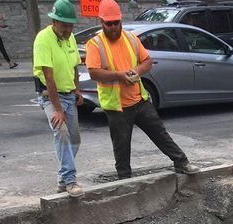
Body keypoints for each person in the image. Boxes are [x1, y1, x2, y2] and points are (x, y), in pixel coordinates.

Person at [85, 0, 199, 180]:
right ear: (102, 22)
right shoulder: (95, 44)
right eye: (110, 24)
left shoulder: (130, 38)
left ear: (121, 20)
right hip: (117, 106)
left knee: (160, 133)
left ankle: (181, 162)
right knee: (122, 146)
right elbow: (94, 73)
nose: (114, 27)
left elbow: (147, 61)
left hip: (138, 99)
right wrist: (121, 76)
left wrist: (136, 72)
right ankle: (125, 180)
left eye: (117, 23)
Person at [33, 0, 84, 197]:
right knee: (61, 132)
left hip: (69, 94)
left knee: (75, 140)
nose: (69, 29)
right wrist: (58, 110)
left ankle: (62, 180)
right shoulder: (43, 39)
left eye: (71, 25)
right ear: (54, 21)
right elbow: (48, 77)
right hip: (50, 96)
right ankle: (70, 181)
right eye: (65, 25)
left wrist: (77, 89)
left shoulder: (69, 38)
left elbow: (74, 67)